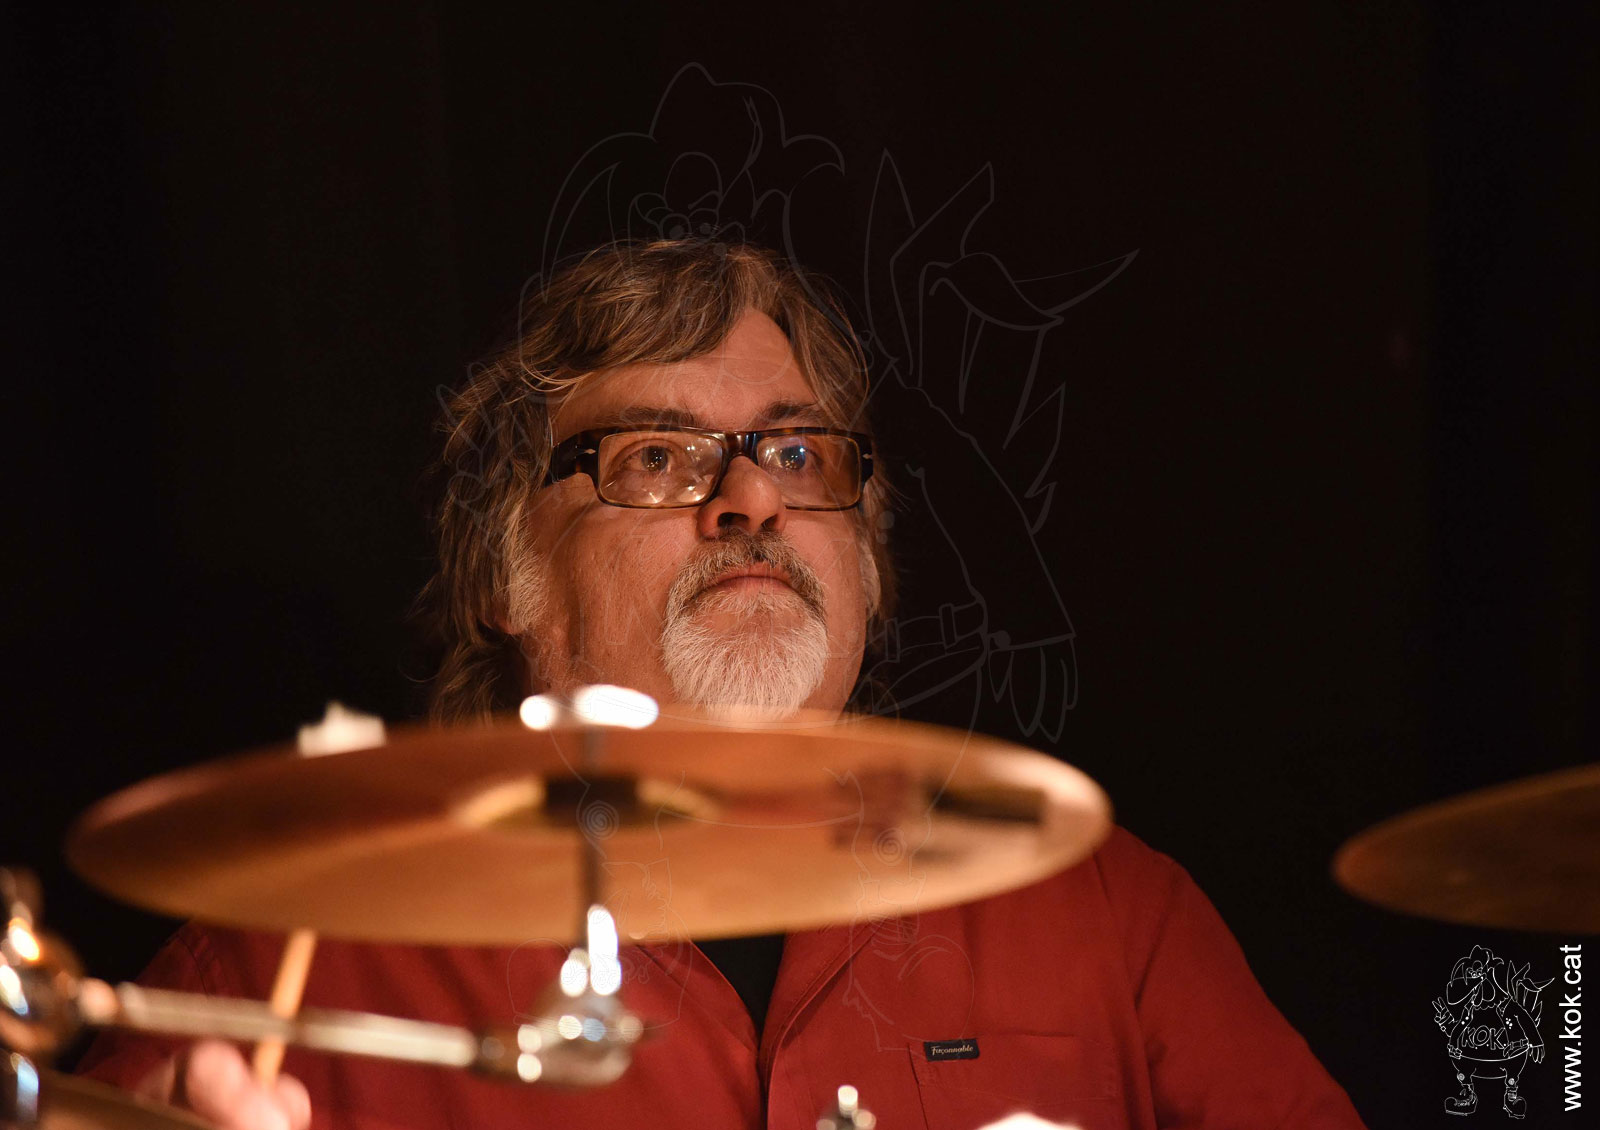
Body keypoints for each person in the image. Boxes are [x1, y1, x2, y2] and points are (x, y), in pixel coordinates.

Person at [78, 240, 1366, 1129]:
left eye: (799, 455)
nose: (752, 497)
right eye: (656, 456)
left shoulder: (1100, 906)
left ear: (868, 561)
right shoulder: (280, 960)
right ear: (504, 574)